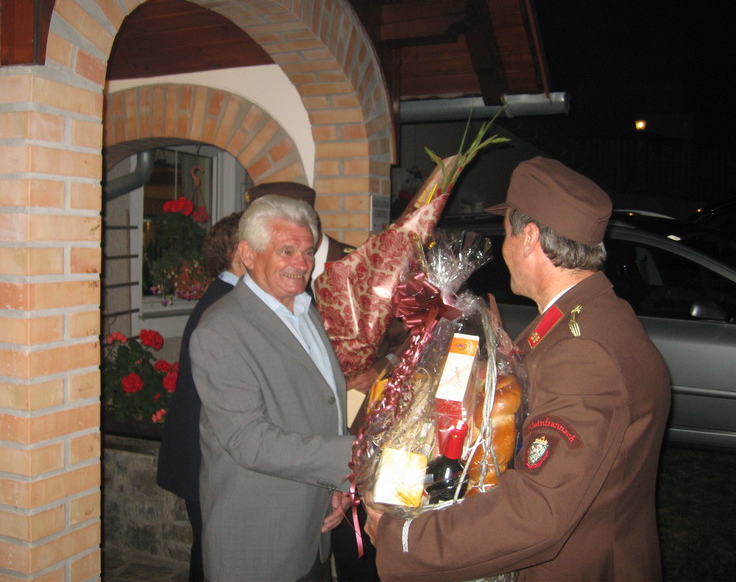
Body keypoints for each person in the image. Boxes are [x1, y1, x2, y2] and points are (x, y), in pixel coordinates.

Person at [364, 157, 671, 581]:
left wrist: (406, 539)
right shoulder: (591, 318)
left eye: (507, 231)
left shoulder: (583, 352)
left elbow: (539, 509)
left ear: (529, 238)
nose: (504, 247)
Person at [190, 195, 354, 582]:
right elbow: (250, 441)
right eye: (287, 251)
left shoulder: (304, 309)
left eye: (308, 251)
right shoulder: (221, 330)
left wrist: (337, 481)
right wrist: (355, 457)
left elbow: (323, 403)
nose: (303, 263)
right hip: (261, 538)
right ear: (247, 254)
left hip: (314, 525)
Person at [156, 211, 244, 582]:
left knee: (211, 553)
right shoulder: (227, 303)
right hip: (203, 458)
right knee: (214, 557)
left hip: (203, 455)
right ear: (240, 252)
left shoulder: (226, 296)